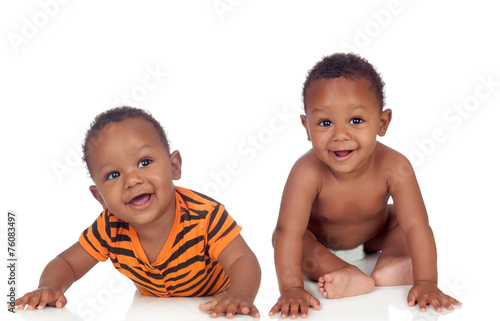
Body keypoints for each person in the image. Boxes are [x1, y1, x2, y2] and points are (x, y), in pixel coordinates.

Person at [12, 107, 261, 319]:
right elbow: (67, 263)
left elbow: (243, 261)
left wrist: (240, 294)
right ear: (100, 197)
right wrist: (50, 285)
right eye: (113, 175)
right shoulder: (110, 228)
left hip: (213, 306)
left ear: (174, 166)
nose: (131, 181)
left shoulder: (205, 217)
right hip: (149, 311)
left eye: (144, 162)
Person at [269, 53, 461, 319]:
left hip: (375, 235)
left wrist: (427, 282)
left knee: (402, 219)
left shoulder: (395, 166)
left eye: (356, 120)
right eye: (325, 123)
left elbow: (417, 225)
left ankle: (390, 263)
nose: (340, 135)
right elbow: (288, 230)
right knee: (283, 238)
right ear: (307, 127)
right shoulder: (306, 171)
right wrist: (291, 288)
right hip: (321, 241)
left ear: (382, 123)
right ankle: (344, 272)